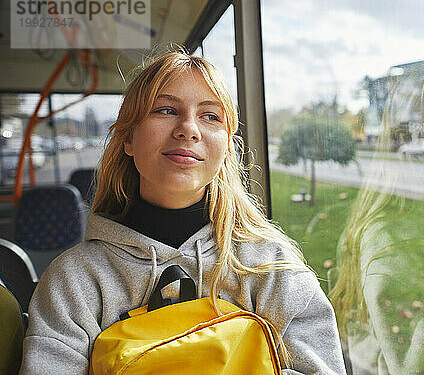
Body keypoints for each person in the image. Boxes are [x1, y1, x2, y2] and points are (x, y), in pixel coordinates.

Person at [19, 51, 346, 374]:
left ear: (227, 148)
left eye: (210, 116)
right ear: (128, 138)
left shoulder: (272, 267)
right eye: (165, 110)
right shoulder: (74, 280)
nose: (188, 129)